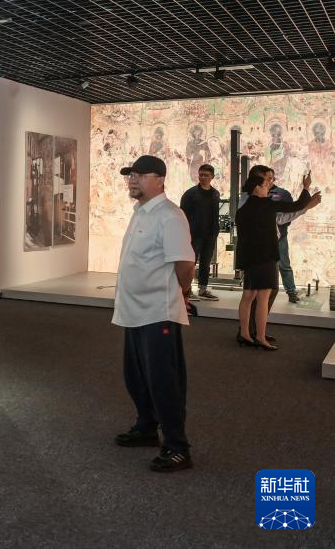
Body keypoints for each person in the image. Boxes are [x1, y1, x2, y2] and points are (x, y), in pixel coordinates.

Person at [112, 155, 196, 473]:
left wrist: (182, 293)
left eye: (140, 174)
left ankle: (177, 446)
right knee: (135, 377)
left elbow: (184, 263)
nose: (132, 179)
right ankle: (146, 427)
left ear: (160, 180)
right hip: (133, 311)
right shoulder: (140, 212)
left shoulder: (170, 216)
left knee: (164, 381)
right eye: (130, 174)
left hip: (158, 313)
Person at [235, 172, 317, 350]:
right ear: (257, 188)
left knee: (248, 295)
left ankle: (245, 334)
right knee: (263, 297)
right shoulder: (267, 205)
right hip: (266, 256)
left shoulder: (243, 208)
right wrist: (306, 187)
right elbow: (297, 205)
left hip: (249, 257)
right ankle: (260, 337)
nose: (269, 186)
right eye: (266, 184)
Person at [180, 164, 221, 301]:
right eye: (201, 175)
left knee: (206, 262)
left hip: (210, 234)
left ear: (212, 177)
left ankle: (203, 289)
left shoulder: (215, 194)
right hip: (194, 234)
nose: (203, 177)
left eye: (206, 175)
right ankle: (187, 290)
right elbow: (182, 214)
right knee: (190, 263)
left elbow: (215, 214)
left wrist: (215, 230)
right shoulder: (190, 194)